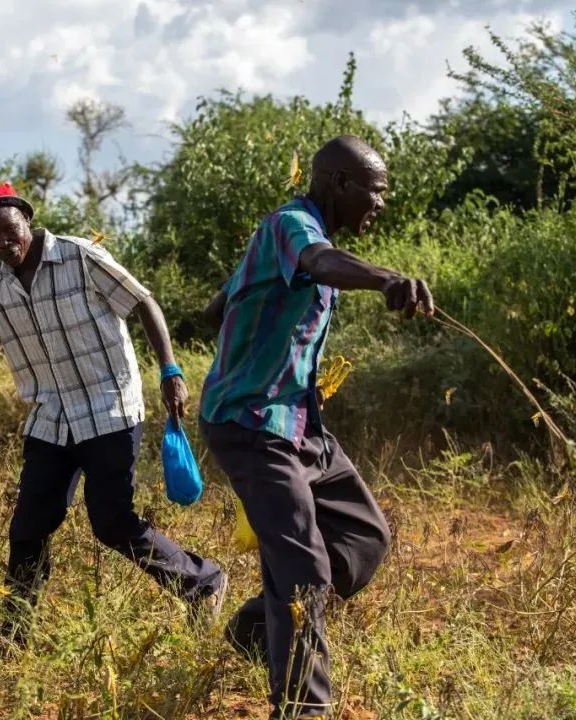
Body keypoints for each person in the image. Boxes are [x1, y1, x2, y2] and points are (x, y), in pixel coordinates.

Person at [0, 182, 226, 644]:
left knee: (112, 522)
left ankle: (201, 582)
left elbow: (142, 303)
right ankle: (14, 639)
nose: (2, 243)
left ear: (27, 221)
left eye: (8, 230)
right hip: (50, 420)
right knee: (29, 527)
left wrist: (170, 369)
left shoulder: (79, 256)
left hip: (109, 408)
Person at [199, 136, 434, 719]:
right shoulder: (293, 226)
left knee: (364, 538)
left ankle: (256, 630)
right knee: (303, 570)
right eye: (374, 192)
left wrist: (234, 300)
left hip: (301, 424)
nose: (379, 203)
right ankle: (304, 707)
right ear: (338, 183)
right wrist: (384, 280)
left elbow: (223, 300)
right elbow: (318, 261)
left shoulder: (290, 238)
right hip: (252, 423)